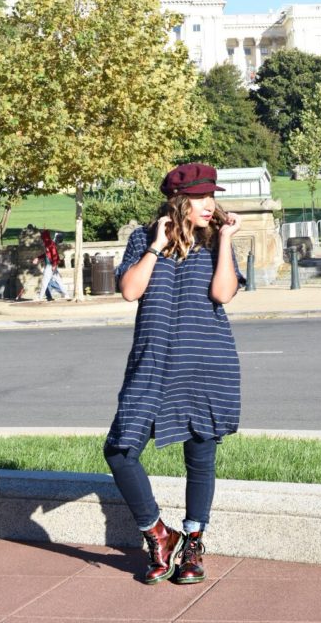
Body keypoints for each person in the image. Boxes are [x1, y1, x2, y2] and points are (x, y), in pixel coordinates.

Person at [103, 162, 244, 586]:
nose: (210, 204)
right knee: (119, 449)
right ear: (179, 201)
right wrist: (155, 245)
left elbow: (223, 293)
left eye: (212, 196)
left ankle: (194, 545)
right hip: (153, 361)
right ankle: (159, 534)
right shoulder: (144, 238)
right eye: (201, 197)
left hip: (206, 360)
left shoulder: (218, 239)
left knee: (200, 455)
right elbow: (130, 290)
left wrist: (226, 240)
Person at [34, 230, 68, 300]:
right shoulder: (48, 244)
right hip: (51, 266)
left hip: (50, 266)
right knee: (58, 281)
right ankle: (66, 294)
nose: (41, 238)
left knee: (45, 282)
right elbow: (47, 255)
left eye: (42, 237)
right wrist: (38, 258)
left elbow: (54, 254)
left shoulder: (50, 244)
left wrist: (54, 265)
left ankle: (40, 297)